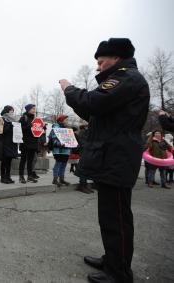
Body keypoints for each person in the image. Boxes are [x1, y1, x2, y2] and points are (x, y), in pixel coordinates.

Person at [60, 38, 150, 283]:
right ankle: (112, 260)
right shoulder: (123, 80)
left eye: (101, 62)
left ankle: (119, 273)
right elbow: (93, 111)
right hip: (112, 157)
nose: (98, 67)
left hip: (116, 158)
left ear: (116, 58)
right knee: (110, 216)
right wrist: (76, 100)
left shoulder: (126, 78)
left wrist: (69, 89)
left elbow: (93, 101)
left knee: (117, 219)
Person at [18, 104, 40, 184]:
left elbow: (37, 131)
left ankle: (30, 176)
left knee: (30, 161)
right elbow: (19, 129)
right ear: (28, 109)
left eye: (35, 108)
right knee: (23, 160)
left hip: (33, 143)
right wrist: (29, 126)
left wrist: (42, 128)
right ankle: (21, 176)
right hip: (25, 143)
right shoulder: (23, 118)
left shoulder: (35, 119)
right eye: (33, 108)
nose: (34, 110)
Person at [49, 115, 71, 187]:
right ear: (61, 120)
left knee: (64, 164)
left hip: (66, 150)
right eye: (66, 120)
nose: (67, 121)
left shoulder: (67, 129)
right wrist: (59, 144)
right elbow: (53, 138)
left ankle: (62, 179)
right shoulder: (56, 127)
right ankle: (55, 179)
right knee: (58, 164)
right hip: (58, 150)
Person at [0, 105, 18, 183]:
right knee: (4, 161)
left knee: (9, 161)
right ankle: (3, 177)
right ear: (7, 111)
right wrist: (10, 125)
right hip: (4, 143)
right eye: (11, 111)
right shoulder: (2, 119)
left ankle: (8, 176)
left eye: (13, 111)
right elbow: (2, 131)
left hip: (12, 143)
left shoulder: (13, 120)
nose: (12, 113)